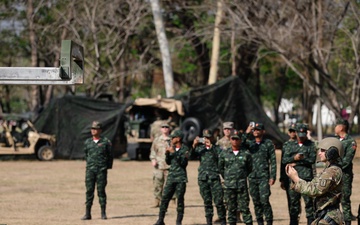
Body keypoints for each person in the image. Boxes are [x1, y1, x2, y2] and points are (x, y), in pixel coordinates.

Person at [286, 137, 344, 225]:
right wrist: (295, 179)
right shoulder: (327, 170)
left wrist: (296, 179)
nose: (319, 153)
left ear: (332, 152)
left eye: (323, 150)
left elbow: (315, 190)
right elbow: (312, 184)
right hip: (323, 216)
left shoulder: (332, 171)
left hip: (329, 218)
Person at [282, 123, 316, 225]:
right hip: (293, 179)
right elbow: (284, 159)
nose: (301, 138)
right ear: (296, 133)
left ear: (306, 133)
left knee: (309, 204)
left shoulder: (311, 145)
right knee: (294, 204)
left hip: (306, 178)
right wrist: (294, 158)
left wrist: (297, 161)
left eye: (303, 135)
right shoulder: (289, 145)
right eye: (299, 135)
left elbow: (312, 159)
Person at [154, 130, 190, 225]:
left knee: (180, 200)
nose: (171, 139)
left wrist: (174, 153)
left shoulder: (185, 149)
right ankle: (160, 220)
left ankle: (178, 221)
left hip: (180, 178)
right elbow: (169, 162)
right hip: (171, 177)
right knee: (165, 198)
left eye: (173, 137)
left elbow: (183, 163)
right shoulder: (171, 147)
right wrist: (167, 153)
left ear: (178, 139)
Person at [243, 123, 276, 225]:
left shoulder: (268, 143)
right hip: (252, 176)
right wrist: (247, 132)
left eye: (258, 129)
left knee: (264, 200)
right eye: (254, 130)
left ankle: (269, 221)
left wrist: (272, 176)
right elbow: (241, 142)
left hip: (263, 176)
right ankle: (260, 222)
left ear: (263, 131)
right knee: (256, 202)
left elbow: (273, 161)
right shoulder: (249, 143)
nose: (256, 131)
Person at [218, 130, 253, 225]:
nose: (235, 141)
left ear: (241, 140)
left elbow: (249, 168)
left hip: (242, 186)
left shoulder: (246, 154)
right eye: (233, 139)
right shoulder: (224, 154)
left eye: (237, 139)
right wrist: (228, 178)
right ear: (230, 140)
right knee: (231, 210)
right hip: (229, 187)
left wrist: (242, 176)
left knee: (245, 209)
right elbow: (221, 168)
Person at [192, 129, 226, 225]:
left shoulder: (217, 148)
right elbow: (190, 156)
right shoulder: (200, 149)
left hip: (214, 177)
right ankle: (209, 221)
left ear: (212, 137)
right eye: (205, 137)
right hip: (203, 178)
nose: (206, 139)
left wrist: (211, 146)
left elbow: (221, 155)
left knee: (219, 201)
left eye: (208, 137)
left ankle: (223, 220)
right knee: (207, 202)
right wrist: (194, 145)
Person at [81, 121, 113, 220]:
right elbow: (86, 155)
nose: (93, 130)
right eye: (92, 129)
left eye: (95, 129)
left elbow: (110, 156)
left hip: (101, 171)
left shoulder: (106, 142)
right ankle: (87, 213)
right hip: (90, 171)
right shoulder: (87, 142)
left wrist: (105, 167)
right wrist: (90, 165)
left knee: (101, 191)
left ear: (100, 130)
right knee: (89, 191)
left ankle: (103, 213)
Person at [334, 118, 357, 224]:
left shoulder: (351, 141)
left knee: (345, 200)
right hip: (333, 175)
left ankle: (347, 222)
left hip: (344, 175)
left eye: (336, 125)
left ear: (342, 127)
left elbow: (347, 160)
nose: (335, 127)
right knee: (333, 200)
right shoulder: (334, 140)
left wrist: (334, 165)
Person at [149, 122, 175, 208]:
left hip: (169, 166)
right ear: (160, 129)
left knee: (170, 185)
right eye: (163, 127)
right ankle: (157, 201)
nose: (165, 128)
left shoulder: (173, 140)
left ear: (169, 129)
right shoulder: (156, 140)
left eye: (166, 127)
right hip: (159, 166)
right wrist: (153, 159)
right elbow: (153, 151)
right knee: (157, 184)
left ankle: (172, 201)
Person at [279, 123, 299, 221]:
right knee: (291, 200)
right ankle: (293, 219)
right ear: (288, 132)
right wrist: (282, 178)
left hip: (300, 175)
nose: (293, 133)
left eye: (294, 131)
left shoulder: (301, 143)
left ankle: (298, 216)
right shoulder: (285, 145)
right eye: (291, 131)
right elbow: (283, 162)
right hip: (288, 176)